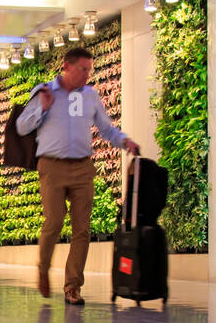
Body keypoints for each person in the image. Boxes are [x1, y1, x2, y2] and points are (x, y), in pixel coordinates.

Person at [16, 46, 141, 305]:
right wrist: (43, 108)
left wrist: (125, 141)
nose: (87, 74)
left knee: (82, 230)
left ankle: (73, 287)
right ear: (67, 66)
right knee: (54, 221)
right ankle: (43, 269)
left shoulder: (91, 97)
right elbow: (21, 126)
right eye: (83, 69)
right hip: (52, 167)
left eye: (89, 70)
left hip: (83, 167)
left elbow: (106, 129)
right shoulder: (45, 92)